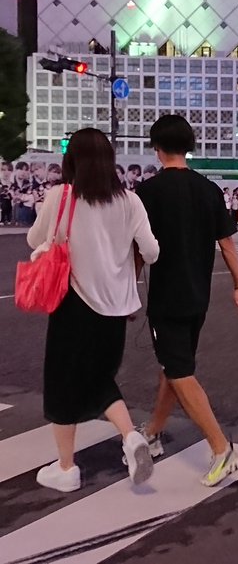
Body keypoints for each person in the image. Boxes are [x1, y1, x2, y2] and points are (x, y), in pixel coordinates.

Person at [26, 128, 160, 492]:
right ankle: (131, 437)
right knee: (99, 378)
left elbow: (35, 239)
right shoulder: (130, 201)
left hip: (74, 305)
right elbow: (152, 251)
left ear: (73, 161)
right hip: (116, 309)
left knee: (62, 383)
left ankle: (66, 468)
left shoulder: (61, 196)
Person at [135, 114, 238, 487]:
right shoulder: (210, 190)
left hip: (166, 296)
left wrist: (127, 288)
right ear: (189, 146)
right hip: (197, 295)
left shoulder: (148, 193)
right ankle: (152, 433)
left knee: (180, 371)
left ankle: (222, 449)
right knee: (176, 366)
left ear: (156, 148)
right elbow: (227, 242)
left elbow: (140, 250)